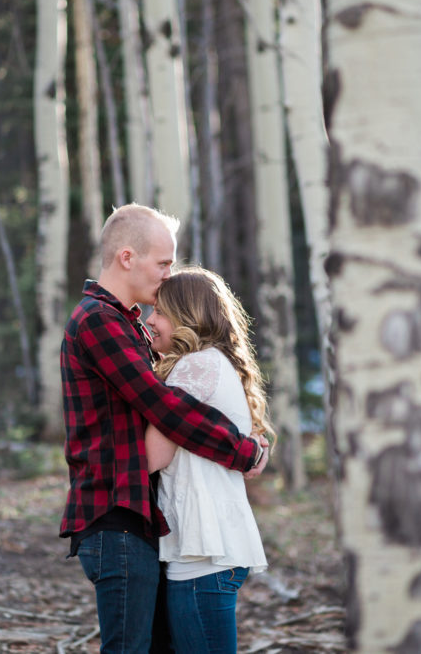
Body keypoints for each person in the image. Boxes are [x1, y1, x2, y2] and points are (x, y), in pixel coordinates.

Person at [59, 205, 270, 653]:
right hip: (115, 516)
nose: (168, 273)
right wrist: (242, 450)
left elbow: (174, 407)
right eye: (163, 263)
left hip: (138, 519)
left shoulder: (126, 323)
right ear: (127, 257)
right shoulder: (99, 321)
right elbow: (166, 407)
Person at [143, 267, 274, 654]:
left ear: (188, 316)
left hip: (203, 557)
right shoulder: (214, 362)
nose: (150, 320)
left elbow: (153, 457)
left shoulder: (194, 366)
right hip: (209, 552)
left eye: (160, 312)